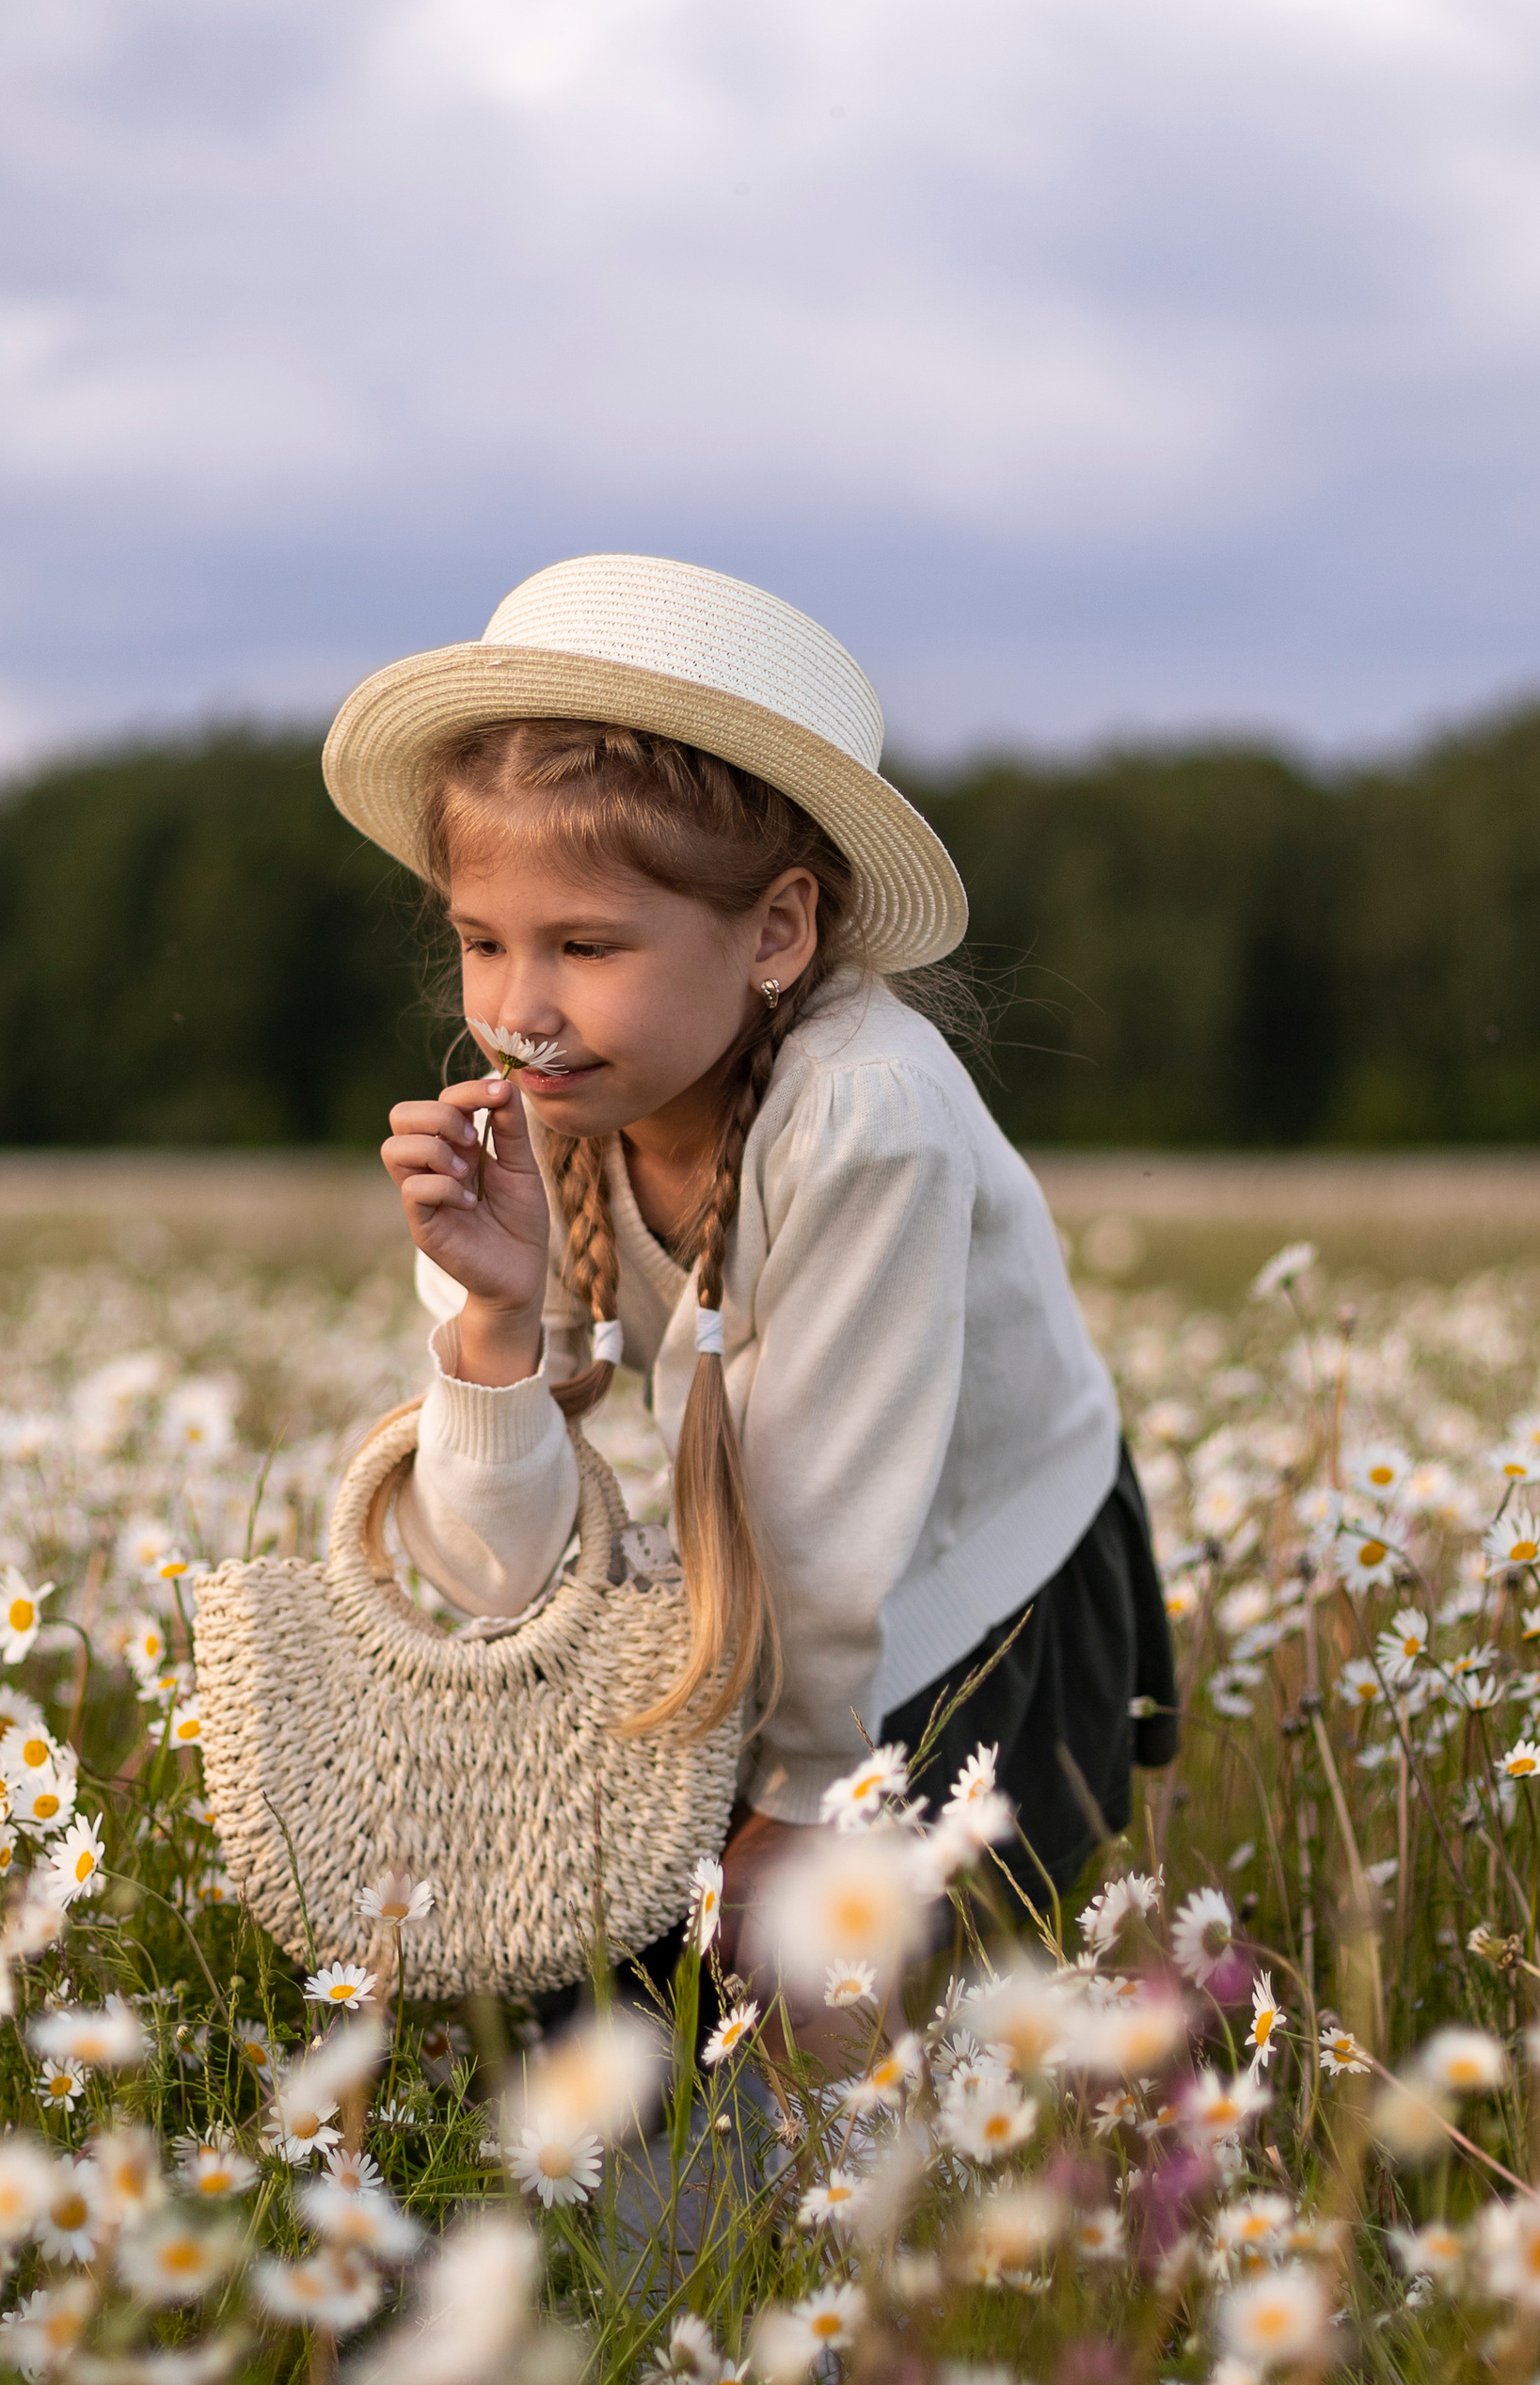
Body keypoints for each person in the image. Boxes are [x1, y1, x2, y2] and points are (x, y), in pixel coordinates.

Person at [328, 551, 1174, 1995]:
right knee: (578, 1996)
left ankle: (835, 2213)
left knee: (818, 2009)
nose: (520, 1011)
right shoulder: (550, 1107)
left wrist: (801, 1798)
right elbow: (493, 1569)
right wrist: (494, 1319)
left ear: (777, 931)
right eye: (483, 941)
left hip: (970, 1599)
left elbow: (834, 1531)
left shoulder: (864, 1118)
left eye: (587, 945)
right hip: (776, 1603)